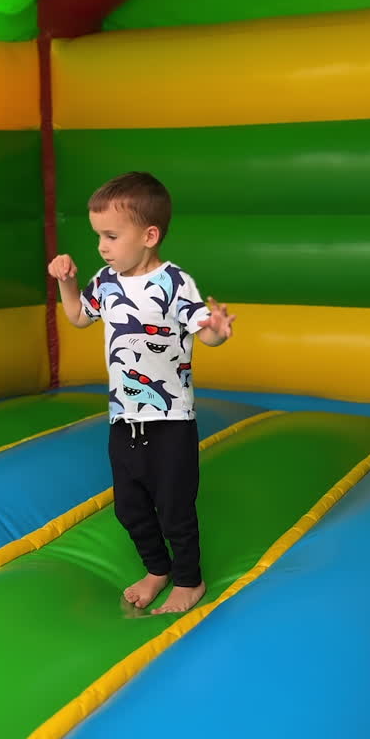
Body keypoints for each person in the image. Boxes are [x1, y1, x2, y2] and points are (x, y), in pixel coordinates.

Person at [48, 171, 235, 614]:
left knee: (174, 508)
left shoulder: (174, 283)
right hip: (124, 419)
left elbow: (201, 331)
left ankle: (189, 580)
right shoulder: (106, 280)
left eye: (111, 236)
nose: (102, 246)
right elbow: (78, 316)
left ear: (149, 235)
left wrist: (217, 332)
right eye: (98, 236)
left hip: (170, 421)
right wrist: (67, 282)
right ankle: (157, 569)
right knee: (130, 509)